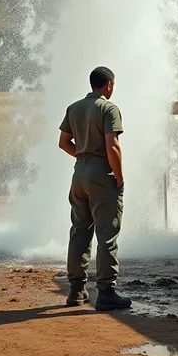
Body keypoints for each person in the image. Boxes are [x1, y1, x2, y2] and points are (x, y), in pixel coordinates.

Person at [58, 66, 132, 312]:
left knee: (79, 230)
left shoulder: (74, 107)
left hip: (79, 173)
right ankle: (107, 292)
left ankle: (76, 290)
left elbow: (63, 142)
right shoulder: (109, 108)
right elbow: (113, 147)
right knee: (107, 234)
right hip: (102, 174)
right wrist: (119, 178)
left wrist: (82, 155)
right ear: (108, 84)